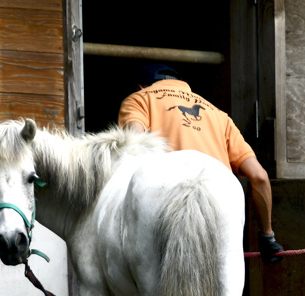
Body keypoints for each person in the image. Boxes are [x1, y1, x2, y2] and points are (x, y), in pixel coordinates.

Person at [118, 63, 285, 265]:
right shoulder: (219, 115)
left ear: (140, 86)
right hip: (218, 207)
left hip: (167, 203)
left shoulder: (139, 99)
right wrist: (267, 237)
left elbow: (134, 147)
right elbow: (259, 176)